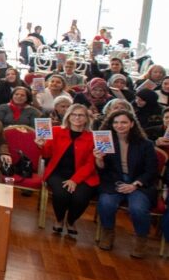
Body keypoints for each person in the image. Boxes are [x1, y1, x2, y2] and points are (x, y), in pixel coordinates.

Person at [94, 110, 158, 258]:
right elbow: (102, 170)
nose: (119, 125)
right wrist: (99, 159)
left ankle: (141, 239)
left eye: (123, 122)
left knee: (138, 208)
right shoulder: (105, 141)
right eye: (116, 122)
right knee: (106, 203)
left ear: (132, 124)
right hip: (113, 181)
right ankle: (108, 233)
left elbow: (151, 170)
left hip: (139, 184)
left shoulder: (145, 144)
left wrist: (135, 184)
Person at [37, 103, 98, 238]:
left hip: (84, 175)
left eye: (81, 115)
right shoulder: (56, 131)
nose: (77, 118)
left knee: (80, 197)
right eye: (73, 114)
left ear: (87, 118)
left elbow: (90, 163)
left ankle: (71, 221)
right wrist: (41, 146)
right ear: (68, 116)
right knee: (61, 194)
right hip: (57, 172)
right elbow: (47, 155)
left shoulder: (93, 137)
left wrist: (75, 180)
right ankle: (59, 219)